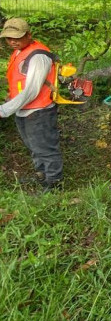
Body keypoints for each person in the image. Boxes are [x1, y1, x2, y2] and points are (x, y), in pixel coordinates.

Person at [0, 18, 63, 192]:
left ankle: (54, 184)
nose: (12, 41)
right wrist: (10, 99)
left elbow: (32, 90)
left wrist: (4, 110)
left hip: (39, 111)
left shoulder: (38, 56)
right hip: (23, 110)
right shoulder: (19, 51)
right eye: (8, 38)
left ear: (28, 35)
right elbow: (19, 82)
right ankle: (42, 176)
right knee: (34, 148)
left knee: (46, 149)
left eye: (17, 37)